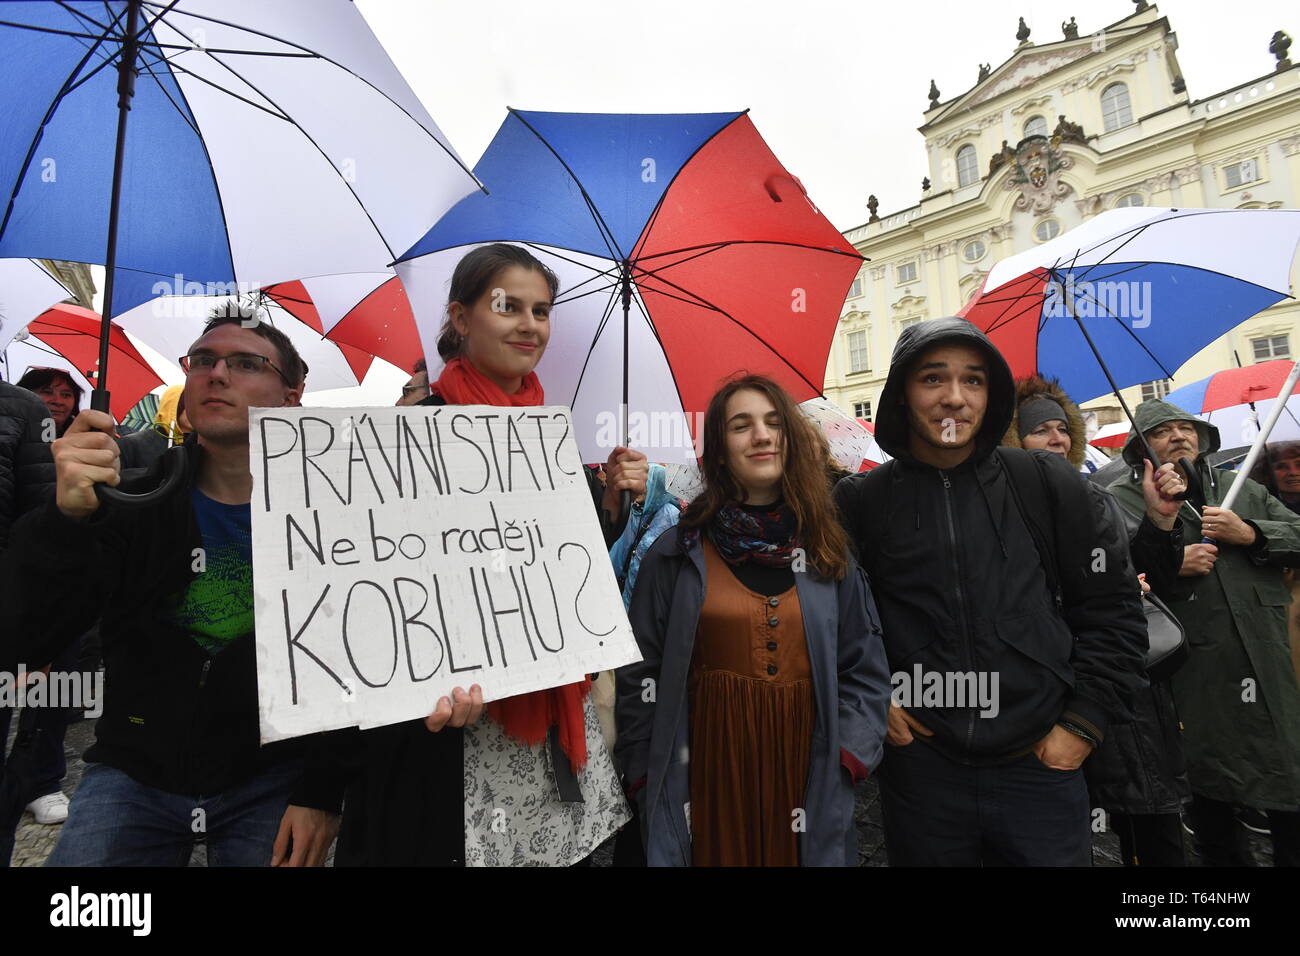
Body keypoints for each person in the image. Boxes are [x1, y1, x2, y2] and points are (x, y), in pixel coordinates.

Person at [0, 305, 349, 866]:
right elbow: (25, 640)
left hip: (273, 777)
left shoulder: (333, 516)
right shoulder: (130, 499)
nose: (217, 373)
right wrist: (63, 522)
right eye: (204, 360)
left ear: (291, 393)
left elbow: (351, 667)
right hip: (134, 771)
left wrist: (322, 792)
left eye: (246, 362)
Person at [336, 243, 647, 867]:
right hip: (449, 742)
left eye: (542, 310)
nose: (530, 325)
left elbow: (567, 576)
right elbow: (366, 605)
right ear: (461, 317)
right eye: (509, 307)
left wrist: (609, 505)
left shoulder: (552, 440)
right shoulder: (406, 438)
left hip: (553, 733)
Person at [834, 317, 1146, 867]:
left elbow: (1114, 612)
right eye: (933, 379)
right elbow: (833, 625)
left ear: (991, 394)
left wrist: (1081, 725)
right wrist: (873, 700)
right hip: (923, 774)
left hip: (1042, 768)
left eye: (973, 380)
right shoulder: (860, 501)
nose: (954, 398)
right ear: (902, 395)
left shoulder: (1048, 484)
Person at [616, 375, 891, 866]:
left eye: (773, 423)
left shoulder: (828, 553)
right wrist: (643, 771)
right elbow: (640, 672)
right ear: (719, 451)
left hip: (806, 772)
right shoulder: (676, 553)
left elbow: (864, 668)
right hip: (704, 773)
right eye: (741, 426)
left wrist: (848, 757)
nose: (761, 436)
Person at [1004, 375, 1191, 866]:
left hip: (1124, 699)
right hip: (1055, 699)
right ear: (1014, 439)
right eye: (1040, 429)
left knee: (1153, 835)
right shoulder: (1005, 507)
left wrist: (1161, 518)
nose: (1057, 438)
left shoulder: (1097, 498)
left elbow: (1151, 581)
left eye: (1063, 428)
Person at [1108, 400, 1300, 866]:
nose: (1179, 436)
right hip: (1193, 676)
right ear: (1141, 448)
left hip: (1268, 663)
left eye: (1185, 428)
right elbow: (1113, 572)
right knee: (1211, 802)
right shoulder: (1119, 498)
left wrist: (1250, 533)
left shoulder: (1240, 489)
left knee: (1289, 790)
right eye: (1163, 431)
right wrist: (1174, 558)